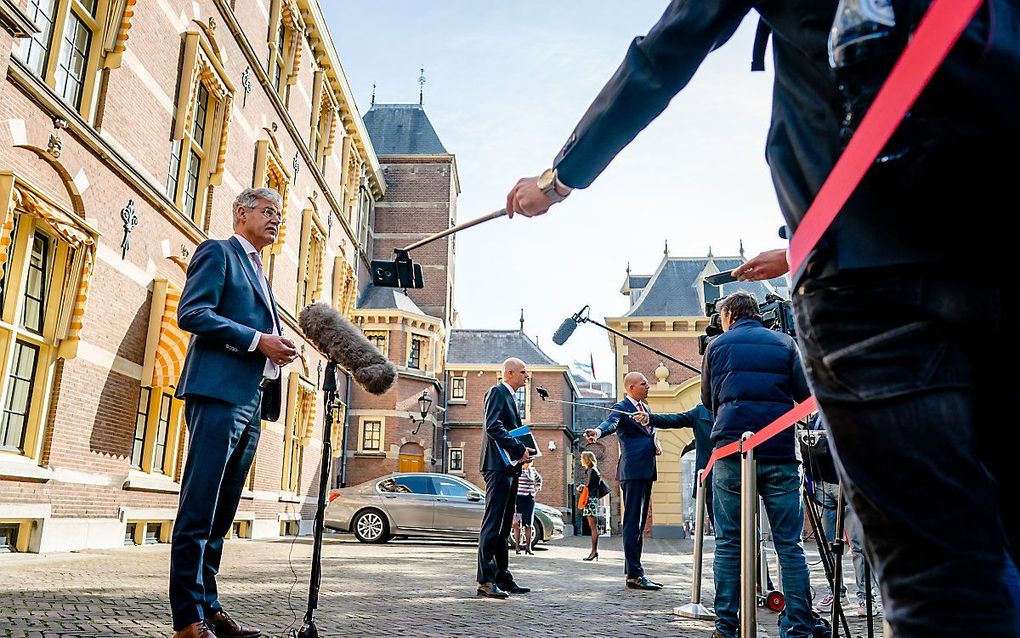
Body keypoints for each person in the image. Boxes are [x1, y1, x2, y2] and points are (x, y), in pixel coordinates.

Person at [505, 3, 1020, 635]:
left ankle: (732, 620)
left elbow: (666, 53)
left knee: (939, 574)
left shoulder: (720, 352)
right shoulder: (777, 347)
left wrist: (559, 178)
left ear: (724, 319)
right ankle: (797, 624)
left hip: (864, 263)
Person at [170, 187, 297, 638]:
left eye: (280, 215)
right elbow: (193, 313)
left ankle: (209, 604)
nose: (276, 220)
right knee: (199, 507)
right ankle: (187, 618)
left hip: (253, 399)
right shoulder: (218, 252)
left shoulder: (263, 273)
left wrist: (275, 348)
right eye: (268, 212)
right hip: (219, 394)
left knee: (222, 513)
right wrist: (256, 340)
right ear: (241, 213)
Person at [702, 291, 814, 638]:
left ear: (730, 315)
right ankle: (797, 626)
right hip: (780, 451)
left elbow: (709, 400)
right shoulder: (784, 343)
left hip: (732, 452)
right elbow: (805, 395)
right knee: (789, 544)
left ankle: (726, 626)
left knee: (729, 542)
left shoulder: (716, 346)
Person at [583, 371, 691, 590]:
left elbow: (650, 431)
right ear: (631, 388)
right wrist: (597, 431)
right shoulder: (621, 408)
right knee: (633, 523)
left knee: (639, 523)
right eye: (644, 384)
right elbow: (610, 424)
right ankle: (634, 574)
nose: (648, 386)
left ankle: (632, 568)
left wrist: (655, 443)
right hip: (633, 470)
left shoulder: (645, 408)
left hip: (646, 469)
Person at [476, 358, 533, 599]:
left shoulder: (510, 396)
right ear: (509, 373)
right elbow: (493, 426)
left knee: (504, 524)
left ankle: (502, 576)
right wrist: (519, 448)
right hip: (497, 467)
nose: (526, 376)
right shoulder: (497, 391)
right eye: (523, 372)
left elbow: (507, 430)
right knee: (493, 522)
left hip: (509, 468)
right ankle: (485, 581)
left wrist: (524, 451)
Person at [647, 403, 714, 526]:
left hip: (723, 475)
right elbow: (673, 419)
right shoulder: (701, 412)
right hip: (712, 476)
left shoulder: (704, 412)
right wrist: (649, 418)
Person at [577, 450, 603, 562]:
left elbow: (588, 487)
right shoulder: (592, 470)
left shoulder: (592, 471)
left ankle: (594, 551)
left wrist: (581, 487)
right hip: (592, 499)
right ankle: (594, 551)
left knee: (593, 527)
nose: (581, 460)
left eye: (582, 458)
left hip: (590, 500)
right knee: (593, 526)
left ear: (586, 459)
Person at [513, 461, 543, 555]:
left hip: (529, 499)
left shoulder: (533, 470)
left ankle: (528, 547)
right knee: (517, 523)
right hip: (519, 498)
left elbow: (539, 480)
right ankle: (517, 546)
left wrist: (537, 488)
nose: (529, 464)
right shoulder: (518, 470)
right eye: (528, 462)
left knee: (529, 523)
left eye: (530, 462)